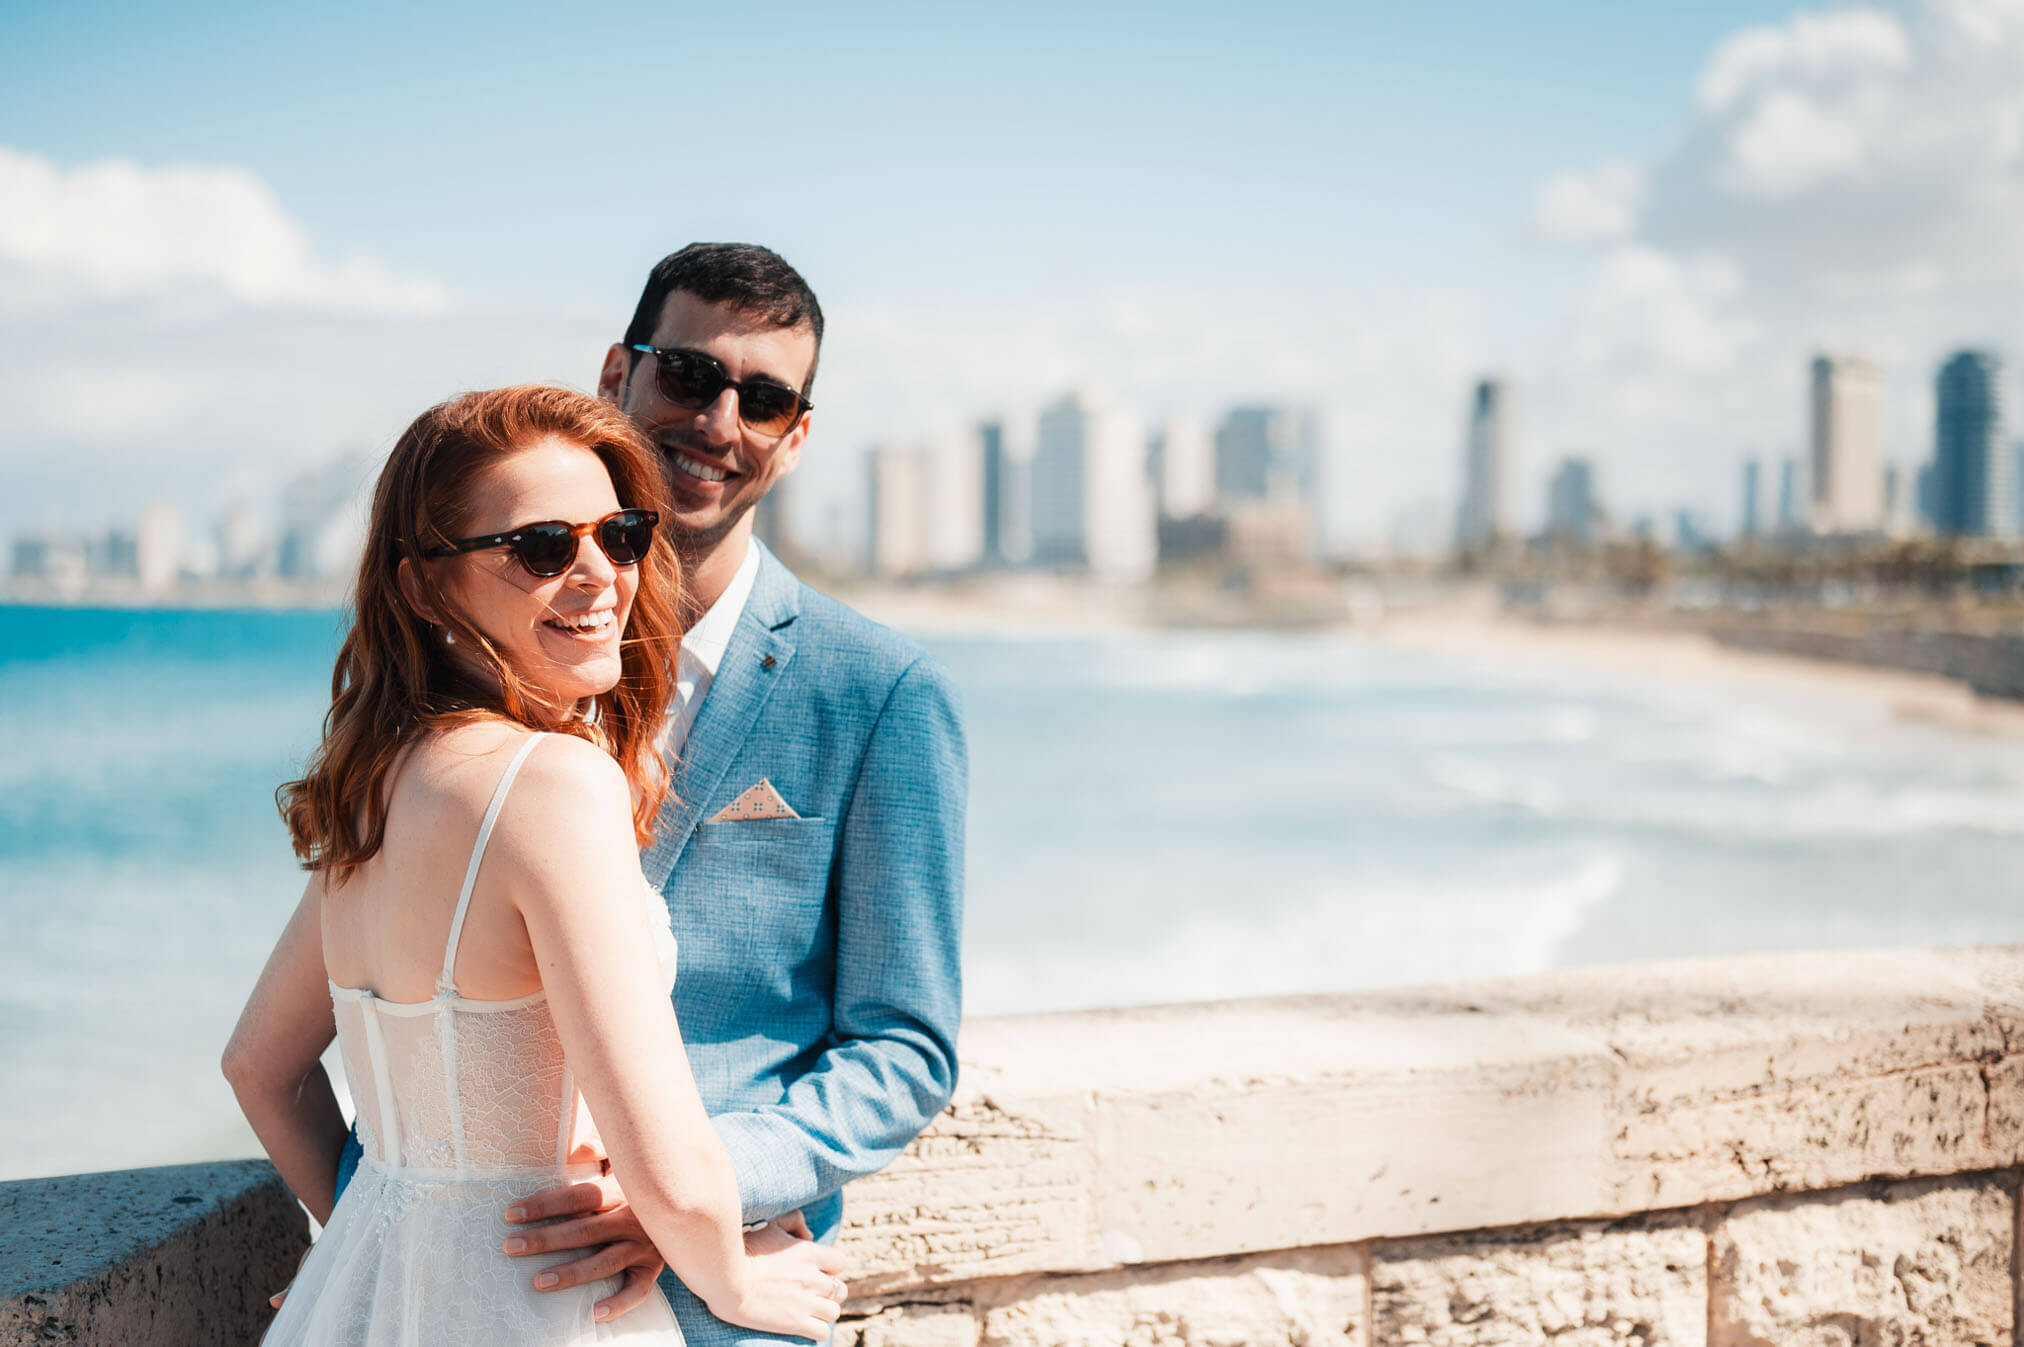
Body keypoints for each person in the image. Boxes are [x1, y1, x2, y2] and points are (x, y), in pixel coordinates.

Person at [223, 385, 847, 1344]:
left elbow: (259, 1067)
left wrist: (372, 1245)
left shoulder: (375, 786)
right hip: (543, 1310)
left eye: (621, 536)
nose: (600, 575)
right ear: (425, 587)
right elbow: (671, 1169)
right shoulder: (552, 785)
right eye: (543, 547)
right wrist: (736, 1283)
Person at [491, 244, 968, 1346]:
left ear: (795, 437)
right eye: (690, 375)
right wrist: (369, 1227)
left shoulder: (881, 693)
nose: (717, 422)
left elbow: (903, 1046)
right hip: (478, 1270)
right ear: (617, 375)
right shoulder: (494, 662)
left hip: (726, 1295)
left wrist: (695, 1188)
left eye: (763, 401)